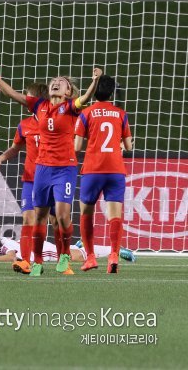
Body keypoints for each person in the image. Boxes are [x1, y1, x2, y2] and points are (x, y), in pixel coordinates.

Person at [0, 61, 102, 276]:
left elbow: (85, 98)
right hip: (42, 170)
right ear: (48, 90)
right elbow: (13, 95)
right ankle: (36, 261)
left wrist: (94, 82)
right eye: (54, 81)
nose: (56, 82)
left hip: (65, 169)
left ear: (68, 92)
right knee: (39, 217)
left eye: (62, 82)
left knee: (63, 216)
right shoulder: (39, 106)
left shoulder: (70, 107)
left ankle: (64, 255)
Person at [0, 82, 62, 274]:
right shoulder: (25, 125)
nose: (25, 98)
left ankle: (63, 262)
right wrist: (1, 158)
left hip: (52, 177)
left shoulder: (54, 121)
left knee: (56, 221)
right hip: (31, 180)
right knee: (28, 218)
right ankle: (25, 261)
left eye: (28, 96)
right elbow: (15, 148)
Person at [74, 75, 133, 273]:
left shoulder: (86, 113)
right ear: (111, 93)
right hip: (115, 169)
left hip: (93, 169)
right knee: (115, 216)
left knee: (86, 213)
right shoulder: (121, 114)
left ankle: (90, 257)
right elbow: (128, 146)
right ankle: (114, 255)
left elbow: (77, 146)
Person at [0, 232, 135, 265]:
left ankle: (116, 250)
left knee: (78, 257)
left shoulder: (2, 245)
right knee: (74, 253)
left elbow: (12, 258)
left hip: (40, 252)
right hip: (35, 253)